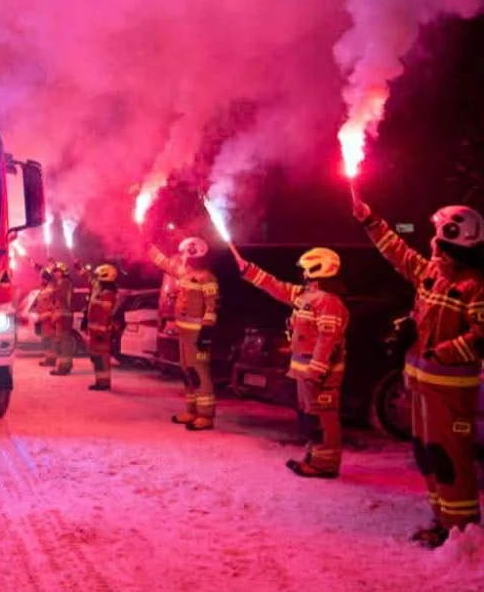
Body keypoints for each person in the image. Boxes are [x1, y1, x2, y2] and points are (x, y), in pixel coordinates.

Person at [355, 199, 484, 547]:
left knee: (451, 458)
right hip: (422, 386)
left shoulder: (475, 285)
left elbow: (480, 337)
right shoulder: (432, 273)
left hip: (451, 391)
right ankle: (443, 522)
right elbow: (398, 252)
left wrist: (439, 351)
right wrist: (371, 220)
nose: (430, 241)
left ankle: (462, 530)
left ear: (452, 236)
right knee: (428, 455)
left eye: (437, 233)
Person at [238, 248, 349, 478]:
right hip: (305, 372)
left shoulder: (328, 302)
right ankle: (314, 457)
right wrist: (249, 270)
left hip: (320, 375)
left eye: (304, 270)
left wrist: (316, 373)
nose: (301, 275)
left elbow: (328, 340)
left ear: (316, 268)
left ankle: (325, 464)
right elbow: (276, 286)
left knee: (322, 417)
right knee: (309, 416)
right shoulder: (307, 295)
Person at [147, 236, 220, 431]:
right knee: (187, 371)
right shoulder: (184, 273)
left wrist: (206, 332)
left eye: (188, 256)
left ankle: (206, 415)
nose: (184, 259)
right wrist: (149, 246)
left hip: (199, 336)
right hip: (184, 334)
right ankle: (192, 410)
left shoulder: (208, 278)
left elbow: (213, 307)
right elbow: (164, 262)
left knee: (200, 372)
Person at [84, 264, 119, 391]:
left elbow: (105, 313)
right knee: (97, 358)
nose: (96, 279)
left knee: (102, 358)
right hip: (97, 331)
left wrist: (101, 330)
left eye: (98, 277)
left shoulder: (107, 294)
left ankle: (103, 383)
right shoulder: (100, 291)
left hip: (101, 333)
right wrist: (80, 269)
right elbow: (90, 281)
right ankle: (100, 381)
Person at [49, 262, 75, 376]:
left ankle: (64, 367)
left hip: (63, 317)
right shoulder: (62, 283)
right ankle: (63, 366)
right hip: (61, 317)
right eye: (55, 272)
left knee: (64, 343)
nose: (55, 274)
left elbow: (60, 298)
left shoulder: (64, 283)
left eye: (58, 272)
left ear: (63, 272)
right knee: (62, 342)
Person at [32, 263, 56, 367]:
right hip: (44, 322)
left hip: (49, 321)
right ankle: (49, 359)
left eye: (42, 279)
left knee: (50, 341)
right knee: (46, 341)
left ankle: (51, 360)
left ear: (46, 280)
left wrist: (44, 316)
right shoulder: (45, 290)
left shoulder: (51, 291)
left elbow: (54, 308)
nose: (40, 280)